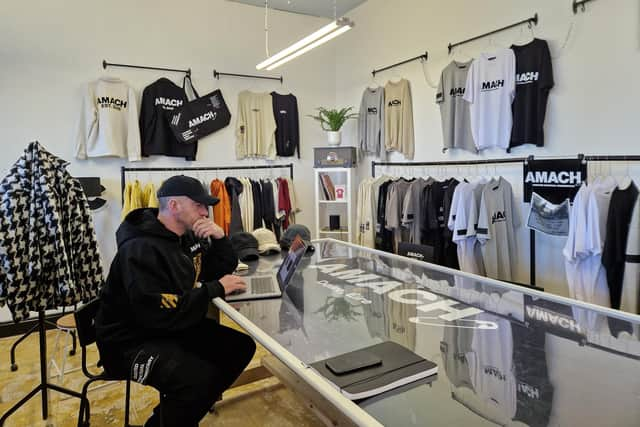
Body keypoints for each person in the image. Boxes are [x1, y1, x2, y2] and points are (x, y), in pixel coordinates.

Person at [95, 175, 256, 427]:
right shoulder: (140, 249)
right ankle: (172, 415)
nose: (206, 211)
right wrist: (214, 289)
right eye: (198, 205)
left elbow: (214, 270)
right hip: (130, 341)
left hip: (167, 325)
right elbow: (156, 311)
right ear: (174, 206)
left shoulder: (184, 236)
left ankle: (179, 412)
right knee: (198, 379)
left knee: (240, 347)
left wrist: (221, 238)